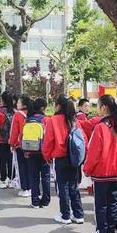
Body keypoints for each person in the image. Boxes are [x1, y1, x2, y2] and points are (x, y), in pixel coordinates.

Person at [83, 95, 117, 233]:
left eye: (98, 106)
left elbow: (94, 153)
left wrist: (87, 169)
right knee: (113, 203)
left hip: (102, 172)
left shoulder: (100, 127)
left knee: (101, 204)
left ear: (104, 108)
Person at [42, 95, 85, 224]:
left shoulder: (53, 120)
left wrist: (47, 157)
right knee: (73, 186)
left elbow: (48, 142)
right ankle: (78, 214)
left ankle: (65, 215)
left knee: (62, 187)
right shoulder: (74, 120)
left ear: (58, 106)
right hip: (74, 158)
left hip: (60, 158)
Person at [26, 98, 51, 208]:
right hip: (44, 152)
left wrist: (26, 150)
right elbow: (50, 137)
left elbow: (23, 137)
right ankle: (45, 201)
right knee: (45, 177)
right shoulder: (46, 120)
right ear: (43, 108)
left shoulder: (28, 120)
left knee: (34, 176)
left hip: (31, 151)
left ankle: (35, 201)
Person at [0, 91, 15, 188]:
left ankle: (3, 180)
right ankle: (11, 179)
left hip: (1, 139)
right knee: (10, 160)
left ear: (3, 100)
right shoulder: (14, 112)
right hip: (11, 139)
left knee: (2, 160)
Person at [10, 94, 31, 197]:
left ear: (23, 104)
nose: (16, 104)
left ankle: (25, 188)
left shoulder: (18, 115)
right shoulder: (32, 114)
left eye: (18, 102)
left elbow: (14, 131)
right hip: (33, 145)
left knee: (21, 167)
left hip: (20, 145)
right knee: (31, 167)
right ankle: (32, 188)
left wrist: (12, 144)